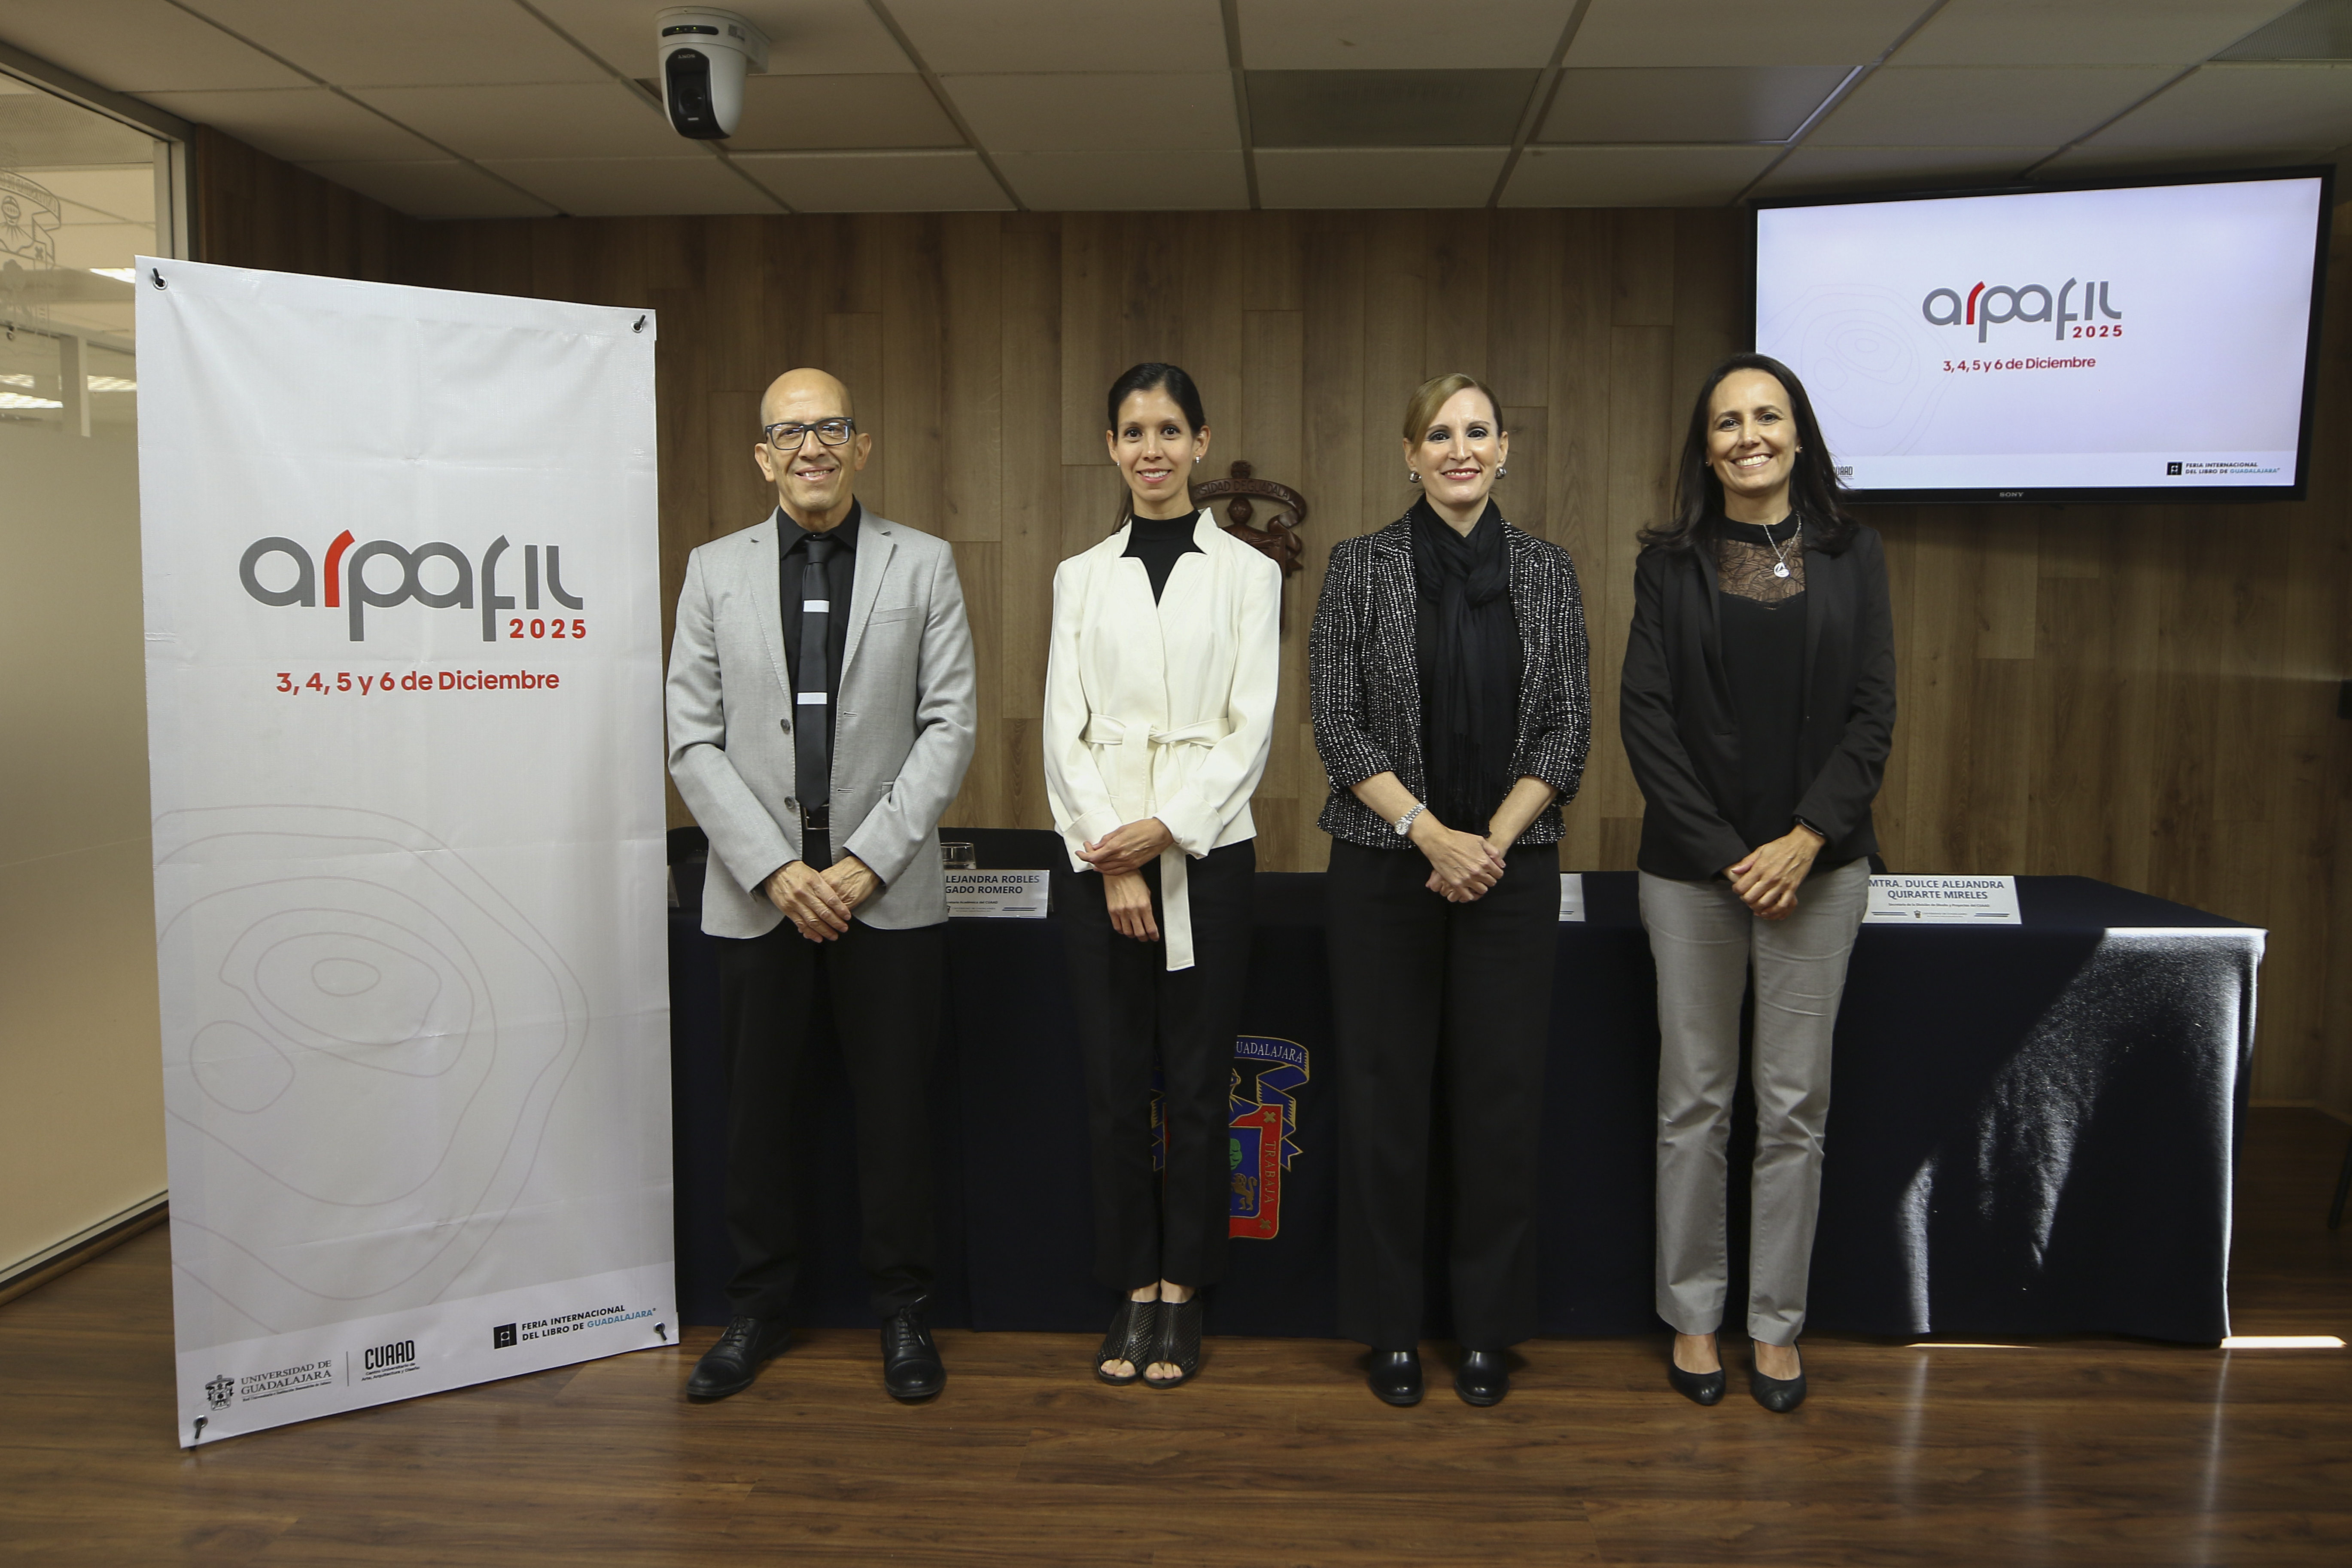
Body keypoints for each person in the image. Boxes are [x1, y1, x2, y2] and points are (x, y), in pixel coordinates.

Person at [666, 367, 978, 1404]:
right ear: (763, 455)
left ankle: (904, 1310)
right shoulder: (713, 571)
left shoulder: (922, 564)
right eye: (790, 432)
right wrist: (777, 869)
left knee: (897, 1118)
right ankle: (757, 1307)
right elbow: (692, 738)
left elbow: (950, 724)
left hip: (884, 894)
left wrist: (864, 861)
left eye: (831, 427)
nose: (812, 446)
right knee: (758, 1121)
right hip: (759, 896)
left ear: (862, 445)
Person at [1308, 372, 1591, 1409]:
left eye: (1478, 432)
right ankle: (1389, 1326)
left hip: (1509, 874)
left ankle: (1485, 1328)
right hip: (1386, 869)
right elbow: (1337, 722)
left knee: (1497, 1105)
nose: (1460, 449)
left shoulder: (1549, 572)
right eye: (1439, 433)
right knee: (1384, 1102)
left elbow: (1569, 724)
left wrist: (1489, 845)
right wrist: (1429, 832)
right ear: (1409, 453)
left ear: (1505, 449)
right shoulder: (1359, 564)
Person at [1621, 352, 1895, 1415]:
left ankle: (1776, 1324)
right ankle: (1694, 1313)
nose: (1749, 436)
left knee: (1793, 1106)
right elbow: (1646, 716)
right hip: (1695, 874)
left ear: (1798, 433)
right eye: (1728, 421)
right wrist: (1730, 851)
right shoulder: (1668, 563)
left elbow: (1873, 711)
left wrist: (1803, 838)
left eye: (1767, 416)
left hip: (1819, 870)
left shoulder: (1854, 553)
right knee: (1695, 1100)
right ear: (1707, 449)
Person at [1044, 362, 1280, 1389]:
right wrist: (1114, 853)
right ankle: (1132, 1282)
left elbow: (1249, 728)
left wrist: (1164, 833)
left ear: (1200, 441)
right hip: (1100, 863)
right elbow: (1063, 730)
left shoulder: (1249, 574)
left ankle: (1183, 1288)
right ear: (1112, 446)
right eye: (1134, 431)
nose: (1153, 448)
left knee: (1195, 1084)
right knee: (1111, 1087)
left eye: (1170, 429)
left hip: (1209, 855)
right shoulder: (1079, 575)